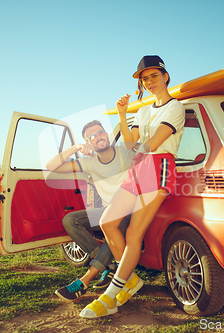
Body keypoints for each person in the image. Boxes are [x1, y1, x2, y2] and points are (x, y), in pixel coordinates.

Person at [80, 55, 185, 318]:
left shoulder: (175, 108)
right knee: (107, 222)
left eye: (153, 76)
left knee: (134, 234)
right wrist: (124, 114)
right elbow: (129, 143)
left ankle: (110, 296)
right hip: (138, 166)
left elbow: (154, 142)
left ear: (165, 76)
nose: (149, 82)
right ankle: (130, 280)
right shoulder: (144, 110)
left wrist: (137, 147)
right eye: (144, 78)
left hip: (158, 165)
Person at [45, 120, 135, 303]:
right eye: (91, 136)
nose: (98, 137)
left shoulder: (125, 153)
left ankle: (84, 280)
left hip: (131, 209)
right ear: (88, 142)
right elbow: (51, 166)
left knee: (113, 224)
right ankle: (106, 265)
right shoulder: (89, 162)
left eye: (100, 132)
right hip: (108, 210)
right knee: (70, 220)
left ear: (107, 134)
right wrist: (75, 148)